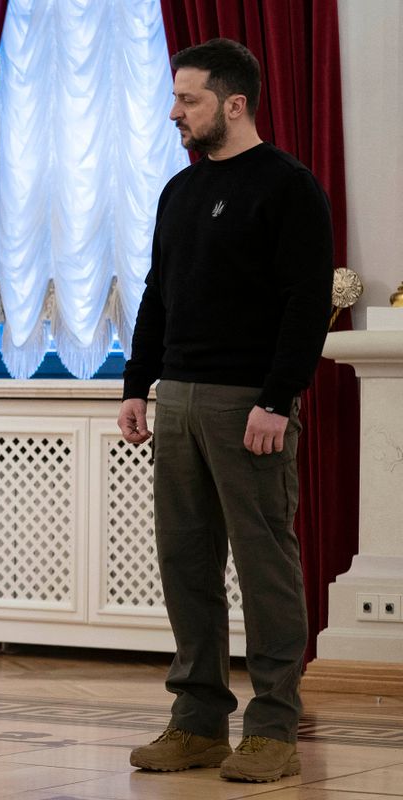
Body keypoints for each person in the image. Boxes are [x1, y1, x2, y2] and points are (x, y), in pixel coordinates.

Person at [118, 39, 332, 783]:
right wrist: (135, 385)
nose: (174, 112)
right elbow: (158, 294)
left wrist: (278, 398)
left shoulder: (288, 187)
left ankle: (273, 728)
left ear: (233, 104)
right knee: (186, 564)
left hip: (251, 406)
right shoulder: (179, 192)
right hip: (175, 399)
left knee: (265, 564)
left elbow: (307, 304)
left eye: (189, 99)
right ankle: (198, 720)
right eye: (176, 98)